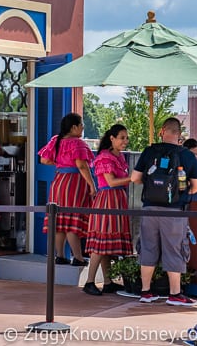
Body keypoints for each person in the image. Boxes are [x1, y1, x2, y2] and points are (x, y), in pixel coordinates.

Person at [131, 117, 197, 306]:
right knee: (174, 248)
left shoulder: (149, 151)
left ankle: (146, 292)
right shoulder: (187, 155)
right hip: (174, 210)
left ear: (163, 131)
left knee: (147, 247)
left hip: (149, 208)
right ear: (179, 134)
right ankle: (175, 294)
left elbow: (135, 178)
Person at [38, 112, 96, 266]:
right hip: (74, 183)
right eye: (81, 125)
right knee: (71, 220)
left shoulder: (56, 141)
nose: (83, 128)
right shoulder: (78, 143)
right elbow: (82, 165)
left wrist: (61, 165)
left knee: (60, 220)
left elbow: (44, 159)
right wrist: (92, 184)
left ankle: (61, 255)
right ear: (74, 127)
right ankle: (78, 257)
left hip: (58, 182)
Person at [82, 124, 133, 295]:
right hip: (107, 199)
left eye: (126, 138)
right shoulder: (105, 157)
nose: (125, 141)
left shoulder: (118, 156)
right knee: (101, 241)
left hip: (117, 199)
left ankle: (108, 281)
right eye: (122, 138)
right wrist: (132, 178)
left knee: (106, 245)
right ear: (112, 138)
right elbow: (110, 182)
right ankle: (89, 281)